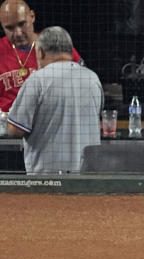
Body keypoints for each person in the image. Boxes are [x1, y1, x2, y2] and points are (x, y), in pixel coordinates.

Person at [5, 25, 99, 174]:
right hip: (87, 178)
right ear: (69, 50)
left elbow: (16, 130)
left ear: (40, 52)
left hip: (48, 179)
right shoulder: (92, 78)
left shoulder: (37, 80)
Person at [0, 1, 81, 113]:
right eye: (10, 28)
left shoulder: (56, 44)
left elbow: (83, 83)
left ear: (32, 17)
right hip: (7, 123)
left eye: (22, 24)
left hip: (51, 119)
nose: (18, 33)